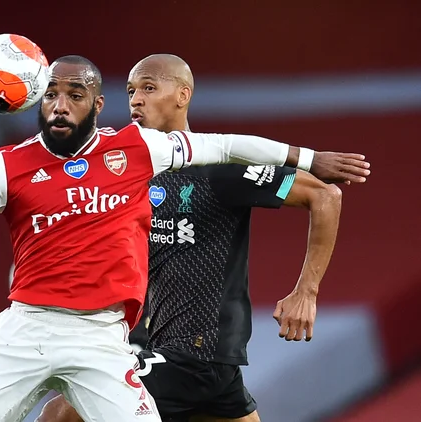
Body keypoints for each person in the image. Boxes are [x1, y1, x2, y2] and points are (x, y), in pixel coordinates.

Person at [0, 55, 370, 422]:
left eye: (74, 94)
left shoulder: (137, 152)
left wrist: (307, 158)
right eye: (50, 94)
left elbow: (226, 145)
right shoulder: (7, 165)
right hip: (24, 331)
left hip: (105, 338)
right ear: (35, 100)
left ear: (93, 105)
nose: (60, 104)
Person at [36, 54, 367, 422]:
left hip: (195, 356)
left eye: (148, 87)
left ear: (182, 95)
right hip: (191, 359)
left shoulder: (217, 170)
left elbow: (325, 195)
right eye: (130, 91)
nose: (135, 100)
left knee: (61, 414)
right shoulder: (134, 170)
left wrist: (306, 291)